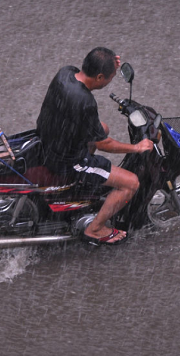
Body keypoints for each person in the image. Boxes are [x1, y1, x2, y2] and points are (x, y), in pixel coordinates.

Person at [36, 47, 153, 245]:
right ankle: (96, 228)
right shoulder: (85, 101)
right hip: (66, 159)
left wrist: (108, 62)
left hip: (50, 138)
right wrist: (137, 147)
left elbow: (99, 133)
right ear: (99, 77)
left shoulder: (65, 73)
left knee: (103, 128)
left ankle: (81, 189)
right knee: (130, 183)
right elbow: (103, 144)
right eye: (110, 77)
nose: (111, 80)